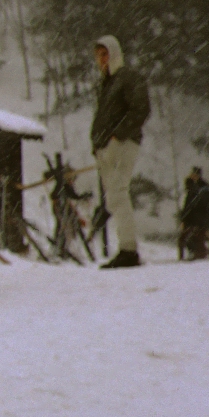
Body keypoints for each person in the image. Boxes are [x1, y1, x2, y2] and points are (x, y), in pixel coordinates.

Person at [90, 35, 151, 269]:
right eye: (98, 55)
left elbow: (141, 108)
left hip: (122, 144)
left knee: (118, 193)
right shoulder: (107, 83)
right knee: (114, 197)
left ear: (114, 53)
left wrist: (118, 136)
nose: (101, 60)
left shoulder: (127, 77)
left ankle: (128, 250)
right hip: (106, 147)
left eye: (105, 54)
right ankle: (126, 248)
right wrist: (98, 145)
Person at [179, 167, 209, 261]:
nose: (193, 176)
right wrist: (184, 218)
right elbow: (188, 205)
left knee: (200, 236)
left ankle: (201, 253)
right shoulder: (192, 188)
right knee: (185, 237)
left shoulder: (203, 189)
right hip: (191, 218)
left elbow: (206, 205)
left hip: (200, 218)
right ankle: (193, 252)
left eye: (195, 175)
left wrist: (204, 219)